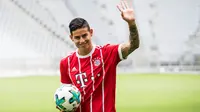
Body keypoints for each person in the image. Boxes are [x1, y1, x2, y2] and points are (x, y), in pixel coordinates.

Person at [58, 0, 139, 112]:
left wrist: (131, 23)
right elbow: (66, 95)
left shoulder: (107, 53)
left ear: (91, 32)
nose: (81, 40)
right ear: (71, 38)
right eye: (77, 37)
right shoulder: (65, 63)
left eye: (84, 35)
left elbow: (133, 45)